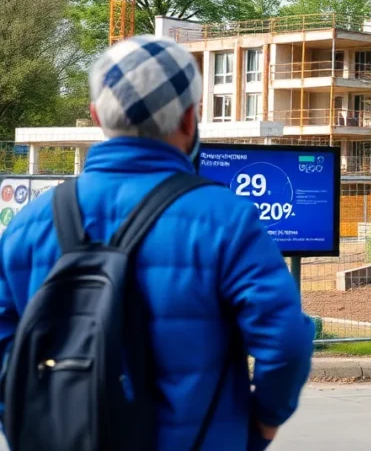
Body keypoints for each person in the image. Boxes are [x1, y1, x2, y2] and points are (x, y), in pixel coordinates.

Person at [0, 36, 314, 449]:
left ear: (97, 116)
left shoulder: (28, 225)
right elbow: (286, 340)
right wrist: (263, 423)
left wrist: (32, 423)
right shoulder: (225, 219)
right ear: (189, 119)